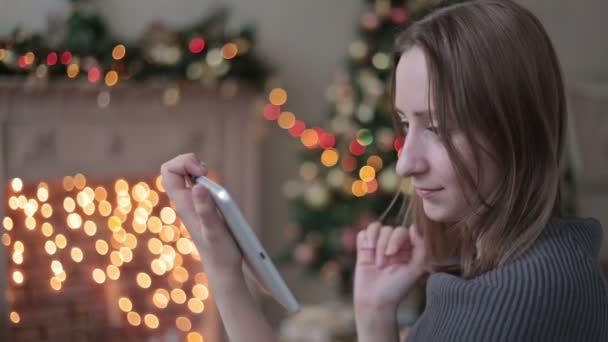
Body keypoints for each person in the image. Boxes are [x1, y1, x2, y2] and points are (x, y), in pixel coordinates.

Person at [160, 0, 608, 341]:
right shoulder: (514, 266)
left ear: (516, 129)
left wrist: (222, 268)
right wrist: (375, 318)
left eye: (437, 127)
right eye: (407, 125)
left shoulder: (521, 294)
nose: (407, 162)